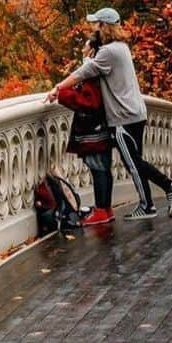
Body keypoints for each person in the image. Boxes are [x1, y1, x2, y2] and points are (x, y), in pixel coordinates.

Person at [45, 7, 172, 221]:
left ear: (104, 26)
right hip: (136, 113)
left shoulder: (108, 52)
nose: (93, 28)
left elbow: (84, 74)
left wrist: (58, 87)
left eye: (96, 24)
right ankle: (147, 205)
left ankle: (169, 186)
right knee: (135, 161)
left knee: (133, 163)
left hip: (123, 117)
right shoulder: (121, 47)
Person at [53, 31, 114, 225]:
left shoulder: (92, 74)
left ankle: (103, 210)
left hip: (94, 131)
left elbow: (89, 103)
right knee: (102, 168)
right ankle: (105, 208)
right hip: (100, 129)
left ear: (93, 52)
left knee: (99, 168)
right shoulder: (97, 72)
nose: (82, 49)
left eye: (85, 46)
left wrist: (63, 94)